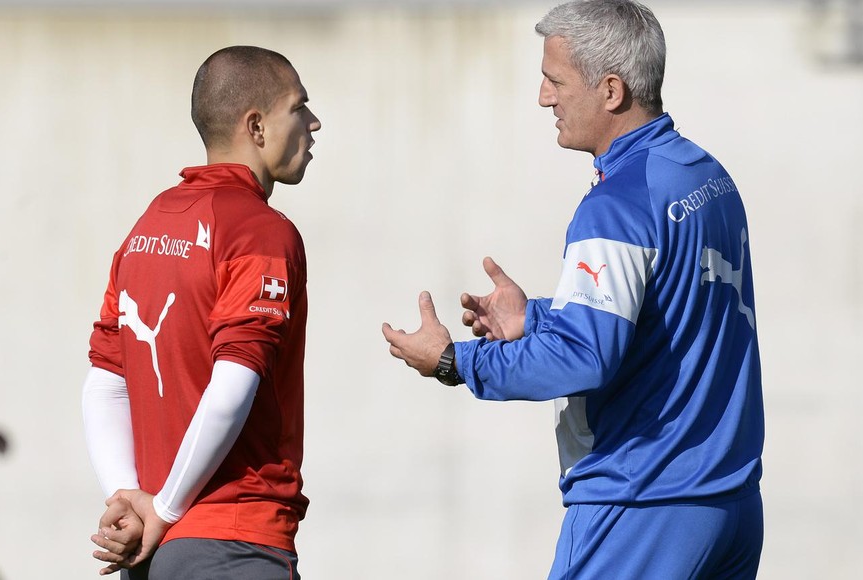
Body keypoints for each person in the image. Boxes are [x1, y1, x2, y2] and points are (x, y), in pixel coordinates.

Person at [381, 1, 765, 578]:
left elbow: (587, 357)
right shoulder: (707, 177)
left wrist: (453, 361)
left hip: (641, 506)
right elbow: (665, 316)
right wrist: (535, 319)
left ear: (611, 90)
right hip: (728, 507)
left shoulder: (616, 205)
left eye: (555, 81)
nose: (543, 97)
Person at [82, 45, 321, 579]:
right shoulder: (261, 231)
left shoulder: (147, 226)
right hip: (235, 544)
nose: (313, 122)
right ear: (256, 126)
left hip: (150, 552)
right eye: (298, 107)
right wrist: (164, 509)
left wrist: (130, 500)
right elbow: (233, 384)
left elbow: (105, 379)